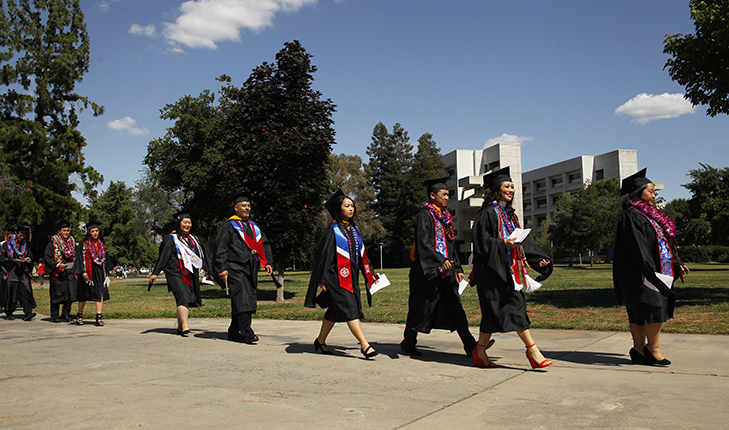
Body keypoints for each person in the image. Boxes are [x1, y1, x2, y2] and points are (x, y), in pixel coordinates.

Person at [471, 167, 554, 369]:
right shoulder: (487, 213)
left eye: (513, 187)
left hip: (509, 270)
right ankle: (533, 351)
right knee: (516, 307)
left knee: (492, 315)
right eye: (507, 186)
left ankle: (479, 350)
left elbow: (522, 243)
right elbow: (482, 243)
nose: (511, 190)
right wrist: (503, 244)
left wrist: (539, 261)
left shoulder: (510, 215)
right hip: (492, 272)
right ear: (496, 190)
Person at [612, 168, 689, 366]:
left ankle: (638, 351)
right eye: (651, 191)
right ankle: (652, 348)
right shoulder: (632, 216)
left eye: (655, 192)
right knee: (648, 307)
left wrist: (675, 263)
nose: (654, 195)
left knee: (647, 308)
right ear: (639, 192)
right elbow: (639, 248)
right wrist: (650, 272)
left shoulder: (652, 216)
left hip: (652, 268)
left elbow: (662, 245)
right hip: (638, 270)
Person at [401, 177, 478, 358]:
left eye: (448, 194)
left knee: (456, 307)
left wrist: (457, 268)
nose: (447, 197)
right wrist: (438, 259)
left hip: (447, 270)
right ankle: (408, 343)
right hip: (427, 271)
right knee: (421, 307)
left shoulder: (445, 218)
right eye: (443, 194)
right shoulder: (424, 216)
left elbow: (451, 245)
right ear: (432, 196)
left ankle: (471, 346)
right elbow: (423, 243)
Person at [305, 189, 379, 358]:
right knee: (350, 309)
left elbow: (362, 256)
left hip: (350, 278)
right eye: (347, 206)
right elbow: (324, 257)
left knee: (334, 311)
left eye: (352, 205)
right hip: (335, 279)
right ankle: (364, 345)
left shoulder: (355, 230)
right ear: (339, 209)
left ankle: (320, 340)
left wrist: (371, 274)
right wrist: (322, 280)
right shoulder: (333, 231)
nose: (351, 208)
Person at [213, 193, 273, 344]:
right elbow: (220, 248)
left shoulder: (254, 227)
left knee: (245, 298)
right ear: (236, 208)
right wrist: (221, 268)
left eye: (248, 206)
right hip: (234, 267)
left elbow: (264, 244)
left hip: (250, 267)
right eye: (243, 206)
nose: (247, 208)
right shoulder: (228, 226)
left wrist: (268, 262)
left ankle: (233, 331)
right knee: (243, 298)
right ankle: (247, 332)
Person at [149, 211, 211, 336]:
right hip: (174, 272)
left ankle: (180, 326)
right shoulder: (171, 239)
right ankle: (184, 325)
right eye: (185, 222)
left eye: (189, 222)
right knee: (183, 296)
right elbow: (163, 257)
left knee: (185, 298)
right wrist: (155, 273)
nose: (187, 225)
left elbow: (203, 256)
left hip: (190, 273)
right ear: (179, 223)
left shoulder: (194, 240)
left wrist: (210, 269)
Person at [72, 221, 110, 326]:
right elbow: (79, 259)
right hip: (87, 272)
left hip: (98, 271)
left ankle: (99, 317)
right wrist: (83, 271)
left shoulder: (102, 245)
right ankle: (79, 315)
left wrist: (106, 272)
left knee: (99, 293)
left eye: (96, 231)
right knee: (84, 294)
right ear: (89, 232)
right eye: (92, 231)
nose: (95, 233)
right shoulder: (83, 245)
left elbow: (105, 260)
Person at [1, 225, 37, 321]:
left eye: (23, 236)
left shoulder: (26, 246)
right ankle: (9, 312)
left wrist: (29, 259)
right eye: (20, 235)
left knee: (26, 290)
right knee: (11, 292)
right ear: (16, 233)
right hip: (12, 270)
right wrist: (13, 261)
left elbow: (30, 256)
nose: (21, 237)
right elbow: (2, 258)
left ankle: (28, 312)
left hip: (23, 270)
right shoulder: (7, 245)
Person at [44, 220, 77, 322]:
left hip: (69, 271)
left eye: (68, 230)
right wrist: (57, 264)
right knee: (56, 294)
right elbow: (47, 257)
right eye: (64, 231)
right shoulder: (53, 243)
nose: (66, 233)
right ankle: (54, 315)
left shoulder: (71, 242)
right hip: (57, 272)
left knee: (70, 294)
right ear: (59, 231)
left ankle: (66, 314)